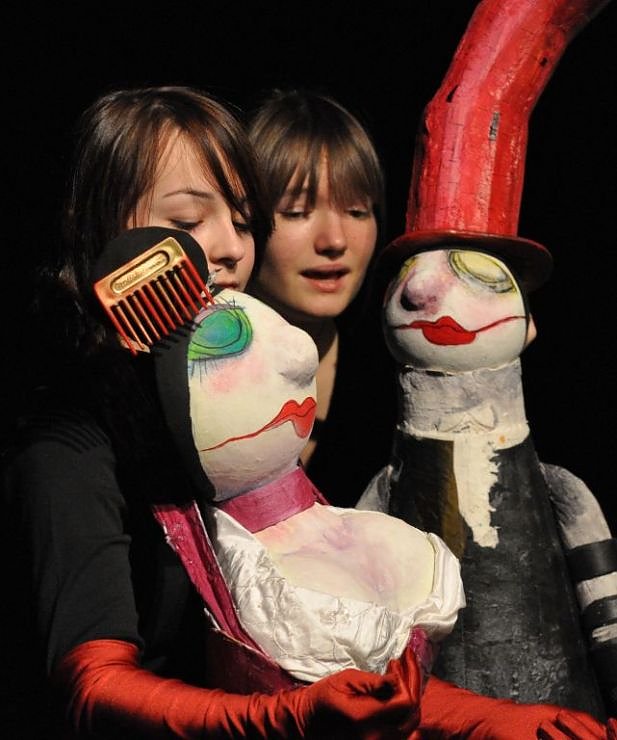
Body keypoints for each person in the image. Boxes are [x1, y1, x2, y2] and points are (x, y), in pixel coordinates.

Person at [247, 89, 397, 505]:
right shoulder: (191, 373)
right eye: (296, 212)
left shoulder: (400, 372)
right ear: (243, 220)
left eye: (357, 211)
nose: (334, 241)